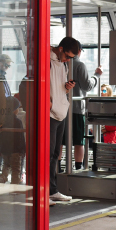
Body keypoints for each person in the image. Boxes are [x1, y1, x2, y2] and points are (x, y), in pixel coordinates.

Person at [49, 36, 81, 204]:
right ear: (60, 49)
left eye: (71, 58)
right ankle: (44, 192)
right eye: (68, 56)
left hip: (60, 111)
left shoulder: (62, 64)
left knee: (55, 153)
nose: (68, 60)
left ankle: (52, 190)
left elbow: (58, 85)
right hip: (50, 113)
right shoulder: (46, 60)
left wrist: (67, 86)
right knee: (47, 154)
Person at [70, 56, 103, 170]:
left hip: (62, 109)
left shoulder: (60, 64)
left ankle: (58, 167)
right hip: (77, 107)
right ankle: (78, 167)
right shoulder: (80, 65)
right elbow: (87, 85)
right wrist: (97, 75)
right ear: (78, 51)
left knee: (61, 141)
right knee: (79, 140)